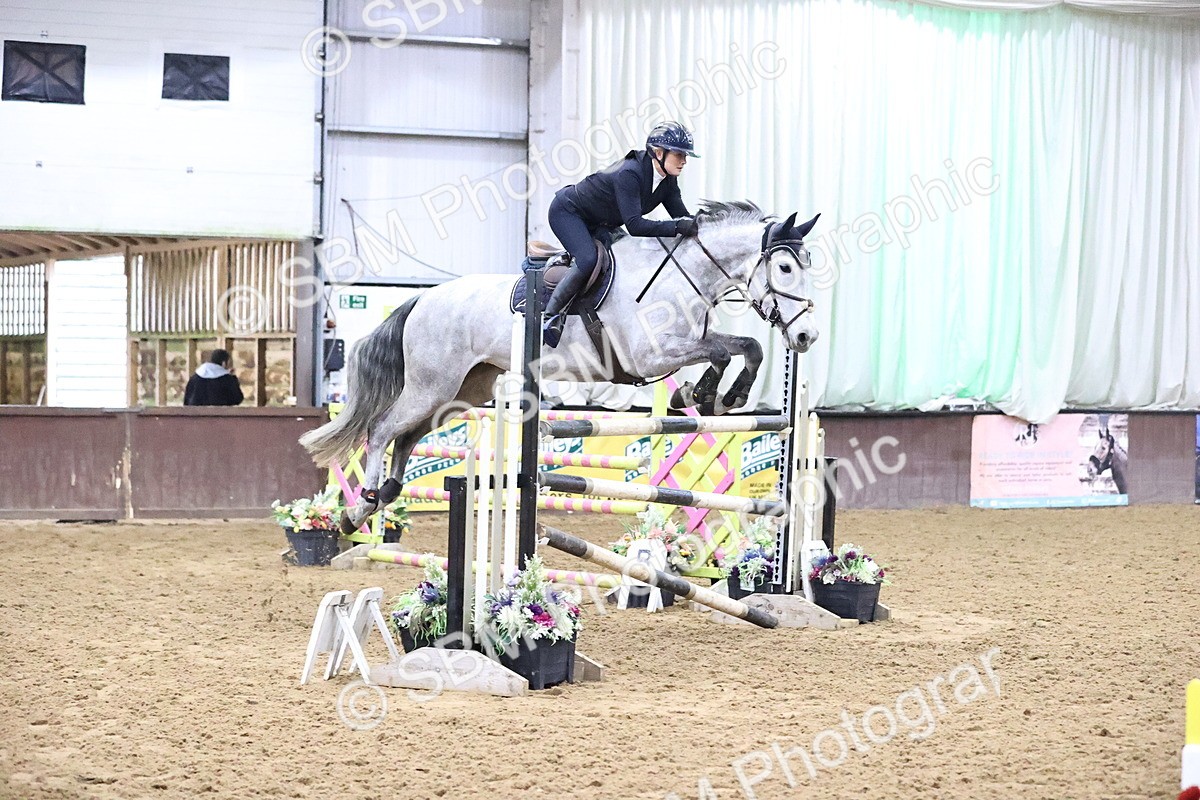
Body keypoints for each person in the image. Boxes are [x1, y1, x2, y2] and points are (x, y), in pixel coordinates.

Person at [542, 120, 700, 346]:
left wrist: (704, 223)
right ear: (658, 152)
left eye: (686, 156)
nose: (684, 161)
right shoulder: (630, 173)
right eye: (679, 154)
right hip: (568, 212)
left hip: (600, 222)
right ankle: (551, 317)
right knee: (588, 259)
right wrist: (677, 227)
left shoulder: (668, 180)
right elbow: (635, 226)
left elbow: (681, 216)